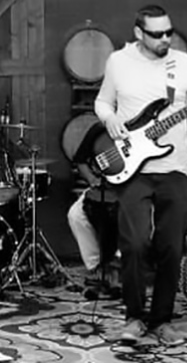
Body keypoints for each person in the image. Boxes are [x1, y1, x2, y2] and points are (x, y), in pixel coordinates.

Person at [94, 5, 187, 345]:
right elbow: (102, 102)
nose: (165, 39)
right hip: (134, 170)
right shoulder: (118, 62)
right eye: (157, 34)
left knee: (171, 246)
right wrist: (110, 119)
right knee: (135, 243)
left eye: (169, 32)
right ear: (139, 33)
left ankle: (162, 320)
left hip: (176, 168)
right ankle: (134, 316)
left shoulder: (186, 65)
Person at [67, 119, 120, 298]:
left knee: (135, 215)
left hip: (132, 188)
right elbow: (80, 161)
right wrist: (92, 179)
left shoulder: (142, 128)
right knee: (75, 215)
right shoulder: (98, 130)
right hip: (104, 186)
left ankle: (116, 265)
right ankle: (95, 267)